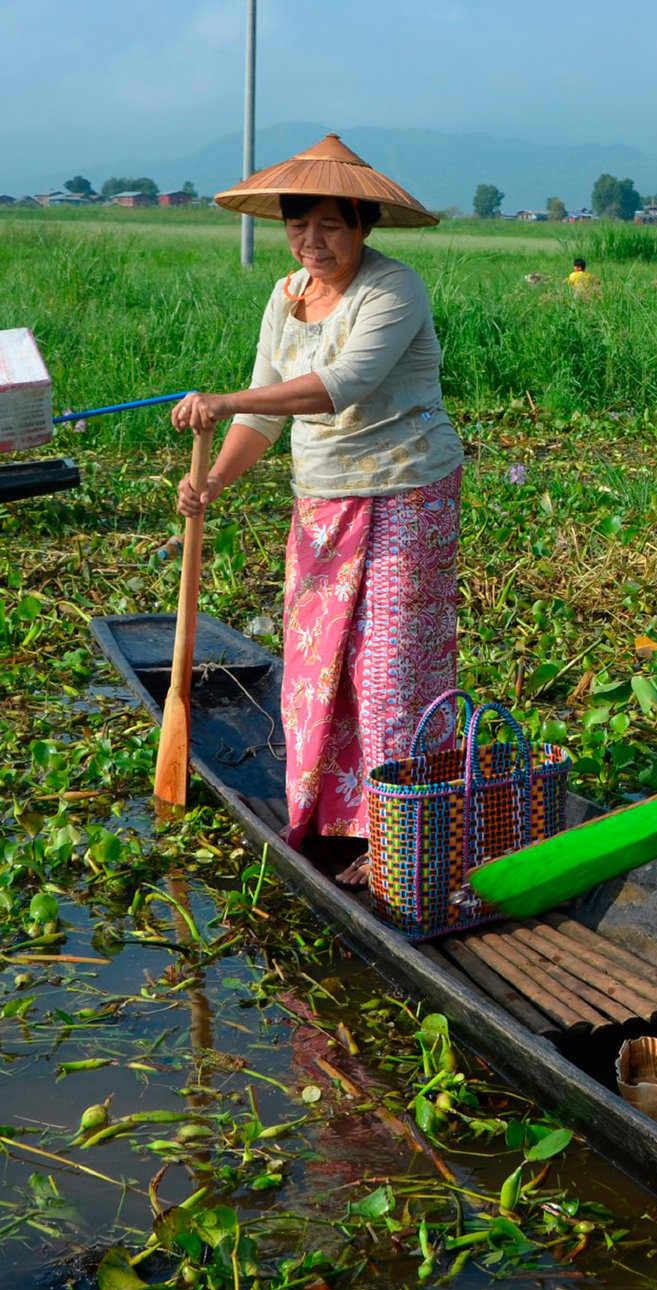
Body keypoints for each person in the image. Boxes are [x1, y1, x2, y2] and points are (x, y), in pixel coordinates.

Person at [171, 134, 465, 882]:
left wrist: (227, 397)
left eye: (330, 225)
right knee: (316, 664)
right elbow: (264, 418)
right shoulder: (284, 296)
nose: (312, 240)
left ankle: (400, 841)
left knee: (389, 667)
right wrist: (215, 483)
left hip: (407, 491)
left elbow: (343, 383)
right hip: (322, 501)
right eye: (299, 225)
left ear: (361, 226)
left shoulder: (393, 290)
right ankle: (335, 818)